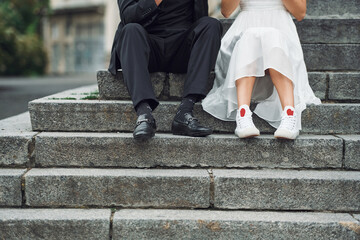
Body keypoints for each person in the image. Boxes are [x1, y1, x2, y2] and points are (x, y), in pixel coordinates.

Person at [202, 0, 321, 139]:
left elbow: (300, 13)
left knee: (272, 36)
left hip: (280, 27)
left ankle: (289, 114)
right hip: (246, 26)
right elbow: (226, 11)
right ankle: (243, 114)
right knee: (251, 36)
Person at [109, 0, 222, 141]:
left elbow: (200, 17)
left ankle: (185, 112)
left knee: (211, 24)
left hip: (181, 47)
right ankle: (144, 115)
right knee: (130, 30)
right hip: (147, 47)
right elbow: (128, 17)